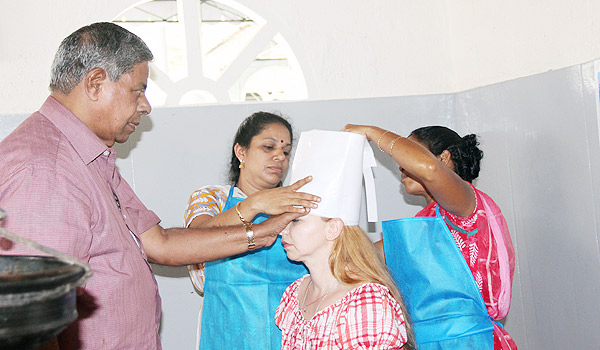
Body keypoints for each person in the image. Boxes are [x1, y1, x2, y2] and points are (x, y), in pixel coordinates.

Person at [0, 22, 314, 350]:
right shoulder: (44, 171)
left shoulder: (90, 158)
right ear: (95, 83)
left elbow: (160, 242)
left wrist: (261, 233)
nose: (145, 105)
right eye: (138, 90)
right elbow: (31, 325)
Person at [342, 124, 517, 349]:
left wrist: (372, 133)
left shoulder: (466, 202)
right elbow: (363, 258)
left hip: (470, 341)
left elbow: (429, 169)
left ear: (444, 158)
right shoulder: (422, 224)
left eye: (409, 152)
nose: (400, 166)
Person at [183, 112, 320, 349]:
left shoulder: (298, 205)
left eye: (286, 152)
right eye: (268, 147)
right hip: (228, 330)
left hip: (294, 332)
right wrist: (254, 205)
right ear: (241, 152)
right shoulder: (211, 197)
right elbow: (193, 242)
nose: (279, 156)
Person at [275, 129, 415, 350]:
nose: (282, 231)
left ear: (333, 229)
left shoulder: (366, 300)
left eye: (296, 221)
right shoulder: (295, 293)